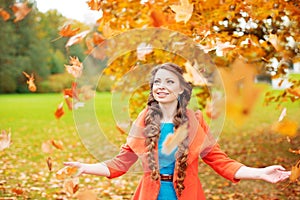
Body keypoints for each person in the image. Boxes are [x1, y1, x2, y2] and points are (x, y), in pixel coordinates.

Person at [64, 63, 291, 200]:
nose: (161, 86)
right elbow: (121, 163)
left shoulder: (195, 120)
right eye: (157, 82)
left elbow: (220, 161)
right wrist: (86, 168)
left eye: (169, 82)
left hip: (187, 194)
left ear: (181, 88)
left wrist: (259, 173)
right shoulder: (144, 120)